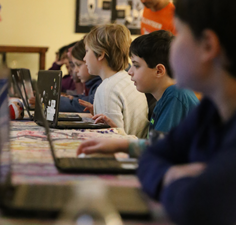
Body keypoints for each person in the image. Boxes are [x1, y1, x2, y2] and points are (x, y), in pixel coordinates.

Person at [137, 0, 236, 225]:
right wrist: (171, 176)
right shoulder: (212, 108)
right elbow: (152, 157)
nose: (172, 47)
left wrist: (167, 179)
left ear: (208, 46)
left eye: (179, 34)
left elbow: (201, 207)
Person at [76, 30, 199, 158]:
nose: (130, 72)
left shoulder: (175, 97)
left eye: (136, 65)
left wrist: (120, 143)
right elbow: (151, 144)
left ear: (158, 71)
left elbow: (158, 151)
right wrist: (118, 132)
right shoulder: (166, 96)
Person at [84, 24, 148, 137]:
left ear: (100, 54)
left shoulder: (107, 89)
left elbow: (111, 139)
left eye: (87, 51)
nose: (84, 58)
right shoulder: (128, 79)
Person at [59, 40, 102, 113]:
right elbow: (85, 98)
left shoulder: (101, 84)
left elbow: (87, 104)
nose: (75, 70)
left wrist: (55, 101)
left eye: (78, 65)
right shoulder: (93, 83)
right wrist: (72, 98)